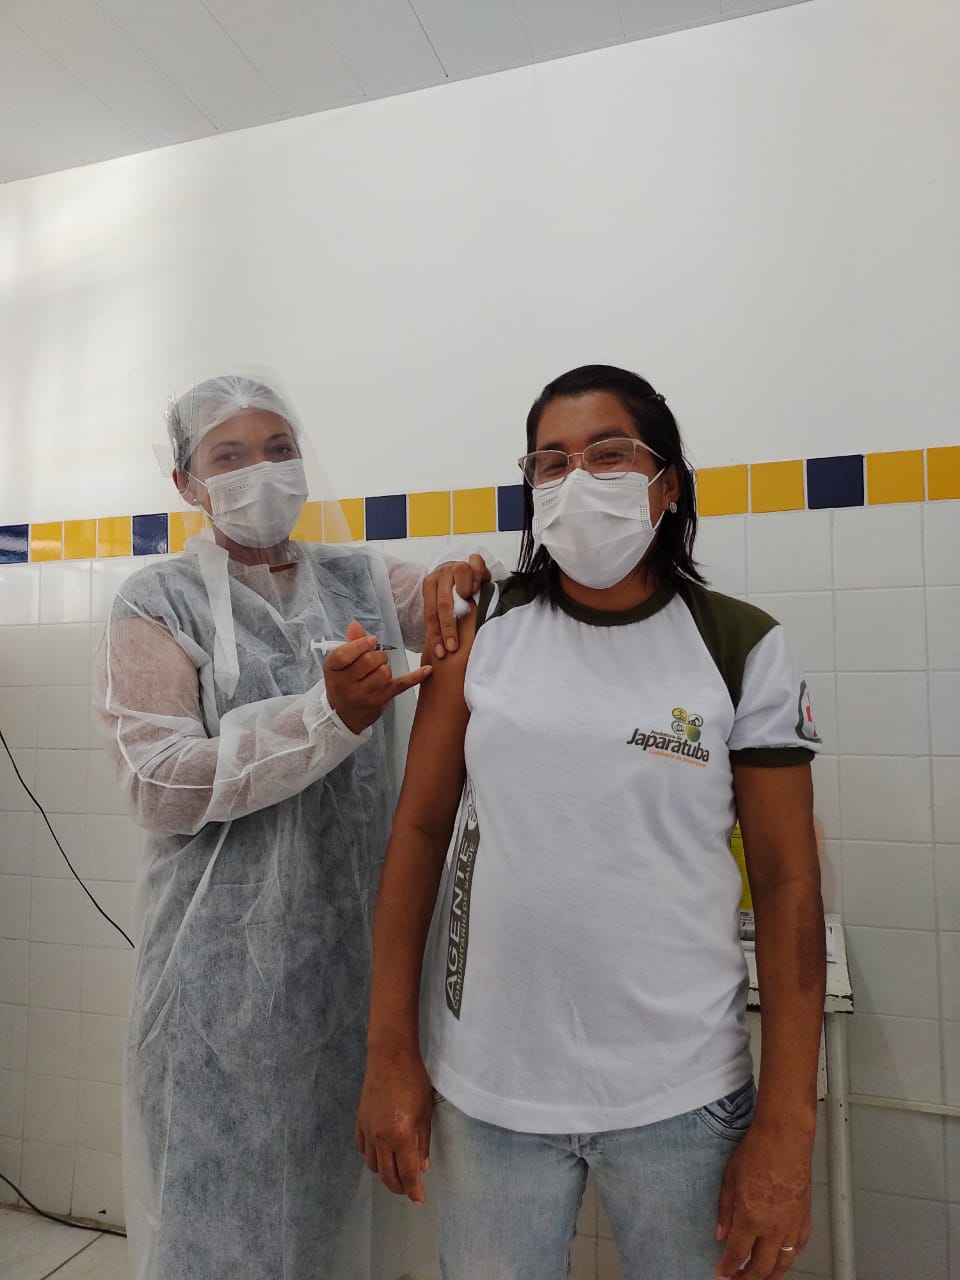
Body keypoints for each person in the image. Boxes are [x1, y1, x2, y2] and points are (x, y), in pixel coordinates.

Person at [355, 365, 827, 1280]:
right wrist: (390, 1052)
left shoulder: (742, 646)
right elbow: (418, 834)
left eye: (608, 455)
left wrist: (787, 1122)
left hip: (683, 1096)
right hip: (489, 1096)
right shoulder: (481, 629)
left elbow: (787, 884)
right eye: (551, 463)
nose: (577, 482)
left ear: (667, 482)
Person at [93, 374, 494, 1280]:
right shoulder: (157, 602)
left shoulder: (356, 579)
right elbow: (158, 783)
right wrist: (326, 717)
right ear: (187, 482)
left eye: (278, 449)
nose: (261, 472)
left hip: (347, 977)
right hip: (216, 987)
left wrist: (463, 577)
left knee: (324, 1220)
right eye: (230, 456)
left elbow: (458, 609)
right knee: (212, 1228)